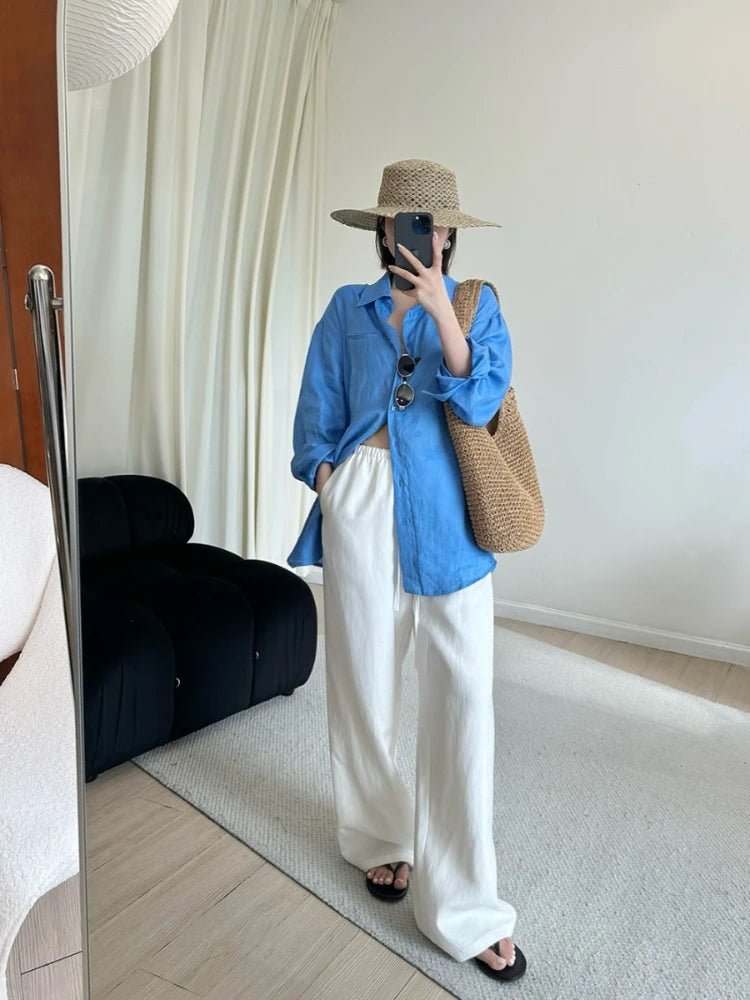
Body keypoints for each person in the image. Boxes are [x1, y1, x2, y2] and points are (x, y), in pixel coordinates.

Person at [287, 159, 526, 982]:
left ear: (449, 233)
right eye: (406, 220)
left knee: (463, 699)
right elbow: (316, 410)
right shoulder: (344, 310)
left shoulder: (475, 306)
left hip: (448, 517)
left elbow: (482, 400)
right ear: (384, 229)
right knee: (362, 681)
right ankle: (378, 836)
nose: (423, 234)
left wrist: (441, 315)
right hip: (360, 502)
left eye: (436, 223)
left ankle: (464, 906)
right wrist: (329, 478)